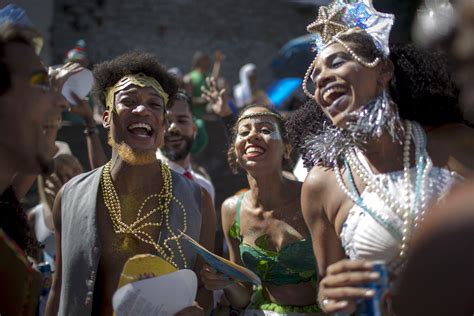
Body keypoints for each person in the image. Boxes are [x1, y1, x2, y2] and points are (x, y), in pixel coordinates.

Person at [285, 0, 474, 314]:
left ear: (383, 69)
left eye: (337, 62)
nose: (322, 79)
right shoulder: (322, 184)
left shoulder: (457, 143)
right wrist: (331, 296)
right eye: (315, 76)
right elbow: (328, 288)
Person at [45, 51, 216, 316]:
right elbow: (60, 289)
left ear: (163, 123)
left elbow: (204, 291)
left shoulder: (198, 201)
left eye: (154, 104)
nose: (143, 110)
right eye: (128, 101)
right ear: (106, 117)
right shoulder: (69, 196)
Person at [201, 104, 321, 315]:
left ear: (287, 149)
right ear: (236, 151)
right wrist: (224, 282)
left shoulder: (311, 197)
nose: (252, 136)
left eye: (265, 130)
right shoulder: (231, 209)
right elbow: (243, 296)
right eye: (244, 132)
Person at [157, 89, 216, 204]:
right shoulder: (142, 180)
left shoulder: (204, 188)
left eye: (182, 121)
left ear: (194, 129)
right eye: (166, 121)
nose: (174, 128)